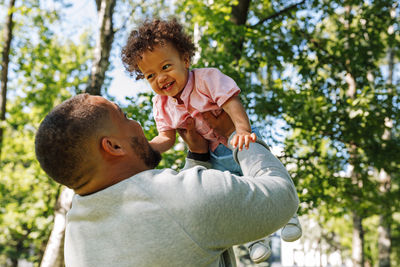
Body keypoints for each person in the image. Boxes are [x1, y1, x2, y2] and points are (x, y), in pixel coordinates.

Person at [35, 93, 299, 267]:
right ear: (113, 146)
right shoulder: (177, 201)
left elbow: (176, 228)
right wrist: (237, 135)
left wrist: (197, 155)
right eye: (125, 117)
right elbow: (281, 196)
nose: (137, 123)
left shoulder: (79, 231)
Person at [120, 18, 302, 262]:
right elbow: (167, 137)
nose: (160, 79)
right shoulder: (161, 104)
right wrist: (147, 148)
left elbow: (231, 101)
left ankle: (289, 215)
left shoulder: (206, 79)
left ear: (185, 60)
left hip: (236, 138)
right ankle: (255, 238)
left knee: (259, 171)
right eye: (150, 75)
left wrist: (242, 130)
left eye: (165, 67)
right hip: (214, 156)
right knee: (232, 195)